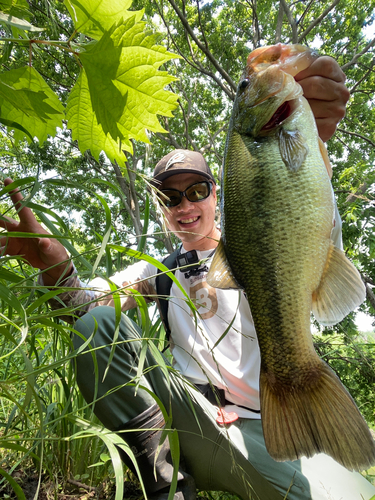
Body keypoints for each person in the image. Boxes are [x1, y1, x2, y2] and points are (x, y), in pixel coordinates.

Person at [1, 57, 374, 500]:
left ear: (218, 192)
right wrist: (52, 263)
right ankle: (164, 485)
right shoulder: (153, 272)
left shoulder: (263, 235)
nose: (184, 205)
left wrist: (316, 140)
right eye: (169, 196)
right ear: (161, 207)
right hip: (189, 419)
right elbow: (81, 310)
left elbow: (313, 223)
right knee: (96, 327)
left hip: (268, 422)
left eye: (196, 190)